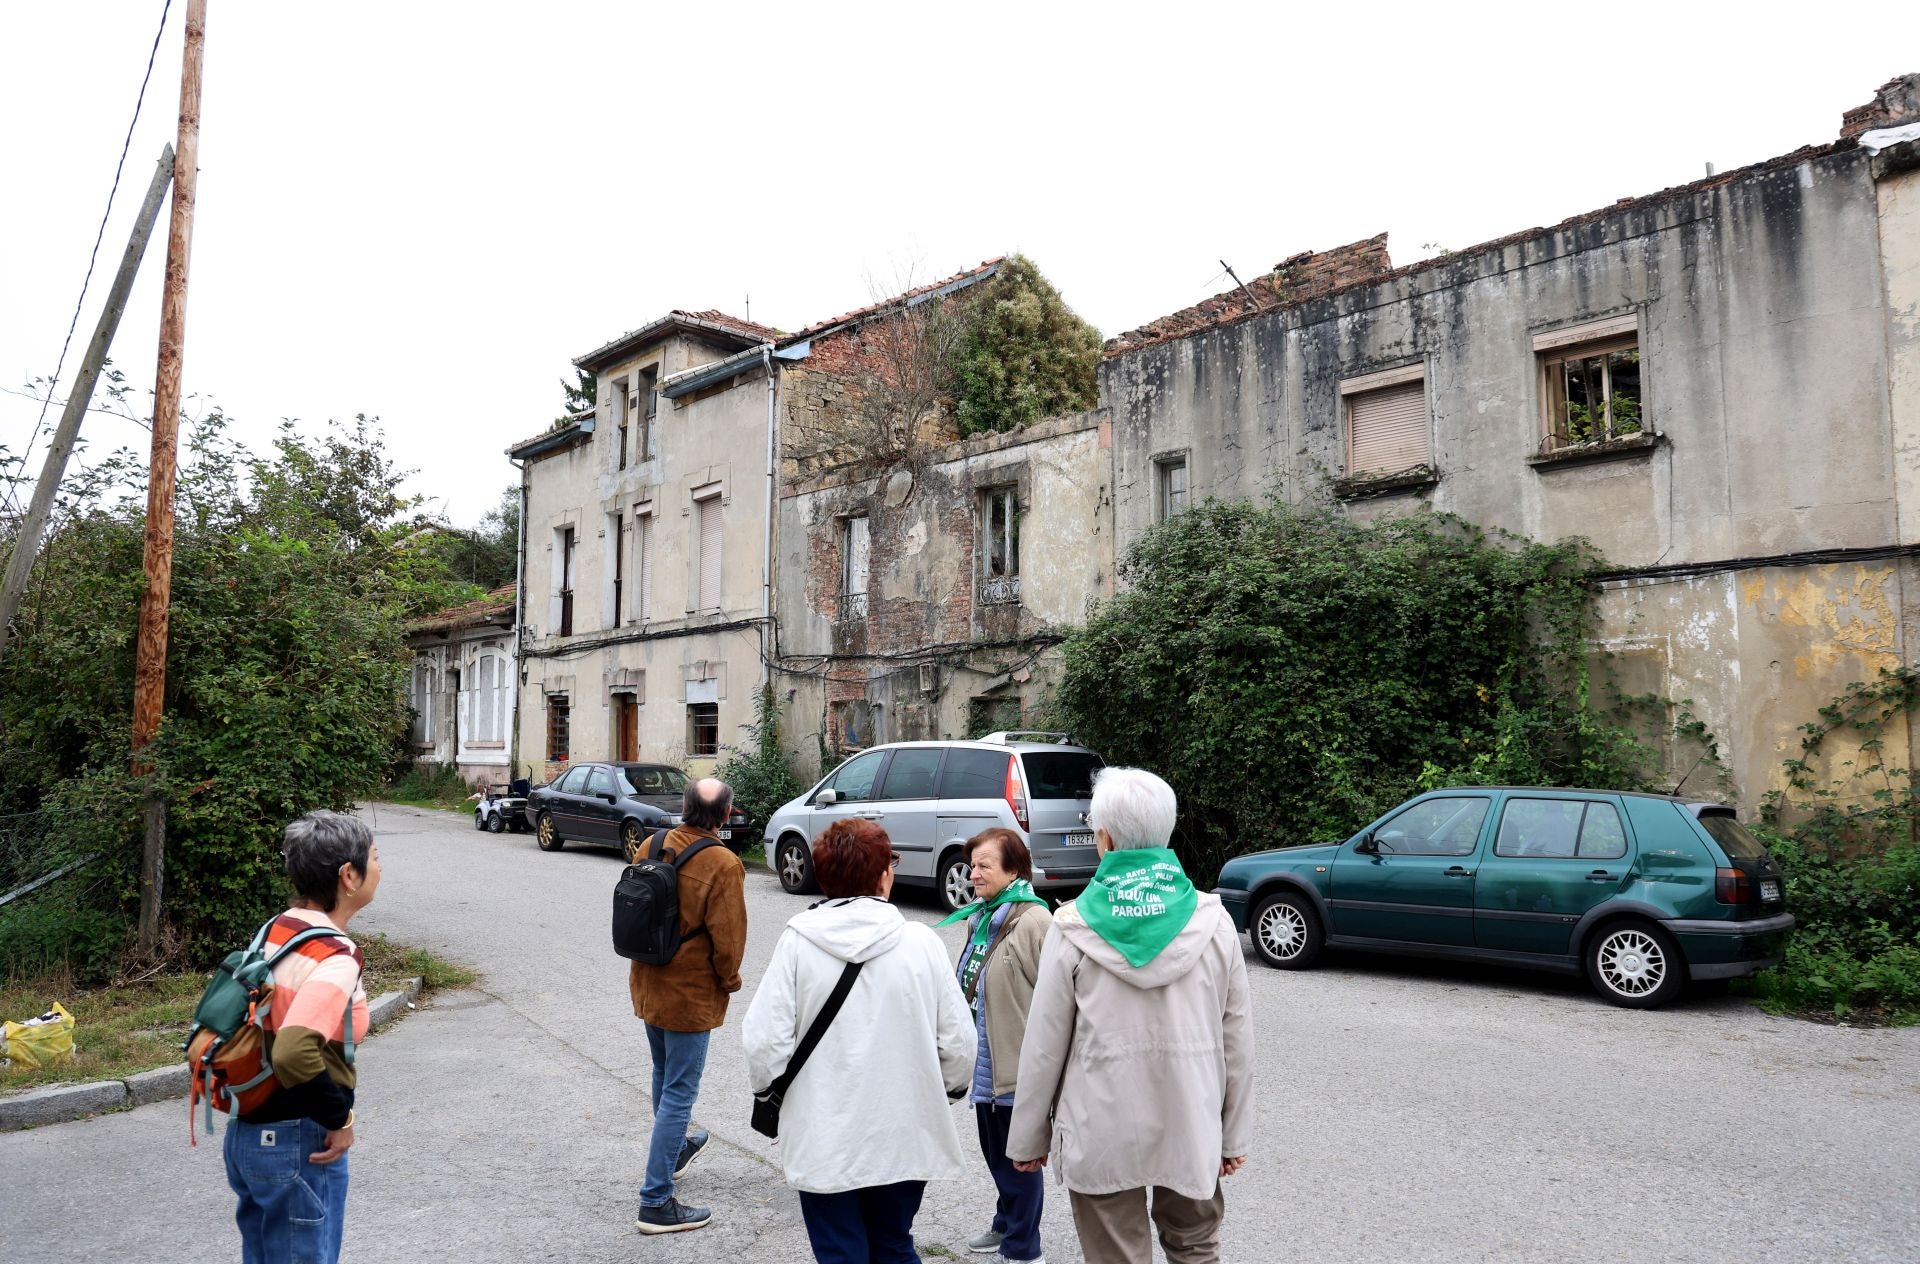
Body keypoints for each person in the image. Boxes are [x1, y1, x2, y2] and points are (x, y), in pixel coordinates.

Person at [1006, 768, 1253, 1264]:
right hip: (1191, 1119)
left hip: (1100, 1128)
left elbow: (1044, 1045)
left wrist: (1028, 1136)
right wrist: (1233, 1134)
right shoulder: (1213, 921)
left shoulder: (1073, 926)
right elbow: (1237, 1041)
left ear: (1105, 838)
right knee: (1197, 1248)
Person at [742, 818, 975, 1263]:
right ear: (885, 874)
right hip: (902, 1129)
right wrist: (947, 1089)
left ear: (824, 877)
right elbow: (959, 1041)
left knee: (839, 1250)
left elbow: (762, 1042)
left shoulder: (798, 941)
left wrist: (771, 1093)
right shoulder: (921, 943)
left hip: (824, 1133)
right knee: (894, 1242)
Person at [225, 810, 379, 1264]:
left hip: (250, 1135)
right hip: (299, 1141)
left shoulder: (278, 928)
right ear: (349, 876)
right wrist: (339, 1120)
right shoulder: (335, 954)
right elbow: (293, 1049)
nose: (380, 866)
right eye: (375, 856)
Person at [630, 777, 749, 1235]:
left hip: (648, 979)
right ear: (725, 815)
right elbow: (729, 941)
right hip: (689, 992)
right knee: (680, 1090)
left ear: (683, 806)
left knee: (663, 1074)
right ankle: (655, 1200)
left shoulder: (651, 844)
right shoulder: (723, 862)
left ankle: (675, 1148)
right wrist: (729, 981)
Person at [935, 828, 1052, 1263]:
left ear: (1014, 870)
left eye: (985, 865)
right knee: (996, 1156)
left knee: (1019, 1163)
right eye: (973, 864)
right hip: (985, 1063)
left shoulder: (1035, 922)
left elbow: (1058, 998)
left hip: (1018, 1066)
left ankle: (1024, 1250)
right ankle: (1006, 1224)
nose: (974, 873)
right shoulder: (982, 917)